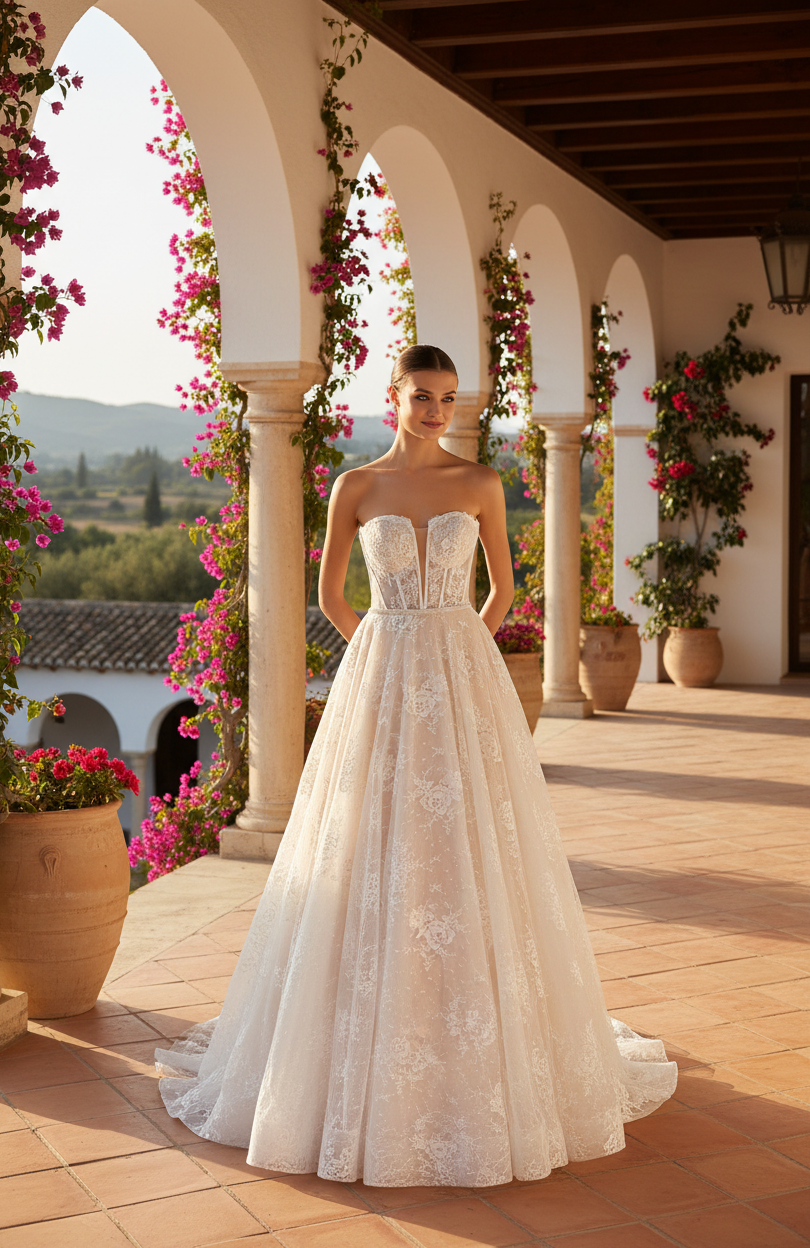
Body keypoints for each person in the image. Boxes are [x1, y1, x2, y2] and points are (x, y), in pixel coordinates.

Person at [156, 343, 677, 1188]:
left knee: (467, 835)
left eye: (447, 398)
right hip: (384, 670)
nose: (436, 410)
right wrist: (383, 646)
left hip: (462, 675)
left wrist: (462, 644)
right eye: (422, 395)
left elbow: (503, 589)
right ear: (393, 396)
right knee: (375, 834)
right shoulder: (355, 488)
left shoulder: (480, 482)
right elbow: (330, 595)